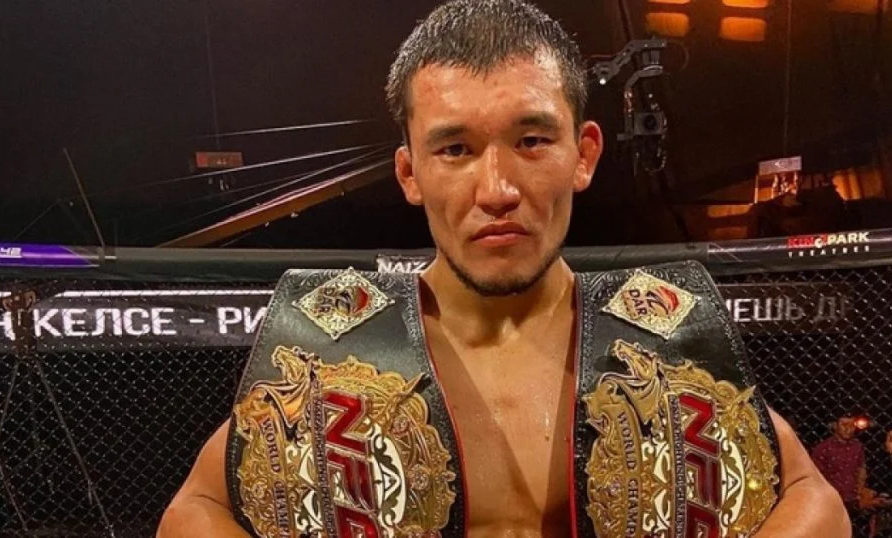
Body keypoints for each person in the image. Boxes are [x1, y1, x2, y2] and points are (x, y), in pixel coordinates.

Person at [156, 1, 848, 537]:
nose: (497, 190)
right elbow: (196, 508)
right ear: (410, 173)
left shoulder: (660, 334)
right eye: (455, 149)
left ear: (583, 154)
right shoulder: (336, 346)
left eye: (532, 140)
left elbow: (812, 497)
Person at [811, 413, 867, 532]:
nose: (848, 429)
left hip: (853, 499)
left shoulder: (858, 446)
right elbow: (816, 475)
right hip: (832, 499)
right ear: (835, 425)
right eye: (844, 425)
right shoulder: (823, 448)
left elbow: (861, 469)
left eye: (852, 425)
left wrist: (860, 491)